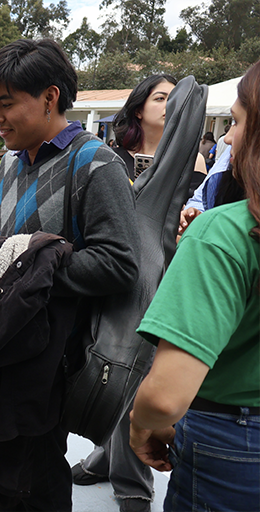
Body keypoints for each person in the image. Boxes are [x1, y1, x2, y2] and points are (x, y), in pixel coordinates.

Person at [0, 39, 140, 512]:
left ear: (50, 97)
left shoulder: (95, 163)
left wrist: (12, 259)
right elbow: (16, 246)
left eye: (7, 104)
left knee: (36, 484)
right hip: (8, 351)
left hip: (52, 364)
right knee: (7, 477)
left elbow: (119, 263)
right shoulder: (11, 163)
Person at [129, 60, 260, 512]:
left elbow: (165, 397)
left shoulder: (226, 232)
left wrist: (141, 424)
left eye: (237, 122)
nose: (227, 138)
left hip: (231, 445)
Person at [71, 73, 204, 512]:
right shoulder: (113, 159)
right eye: (159, 97)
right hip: (124, 273)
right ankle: (106, 457)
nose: (167, 105)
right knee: (115, 365)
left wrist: (190, 221)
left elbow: (199, 212)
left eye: (171, 98)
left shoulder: (192, 161)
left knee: (142, 370)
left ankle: (130, 479)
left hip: (171, 272)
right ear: (139, 108)